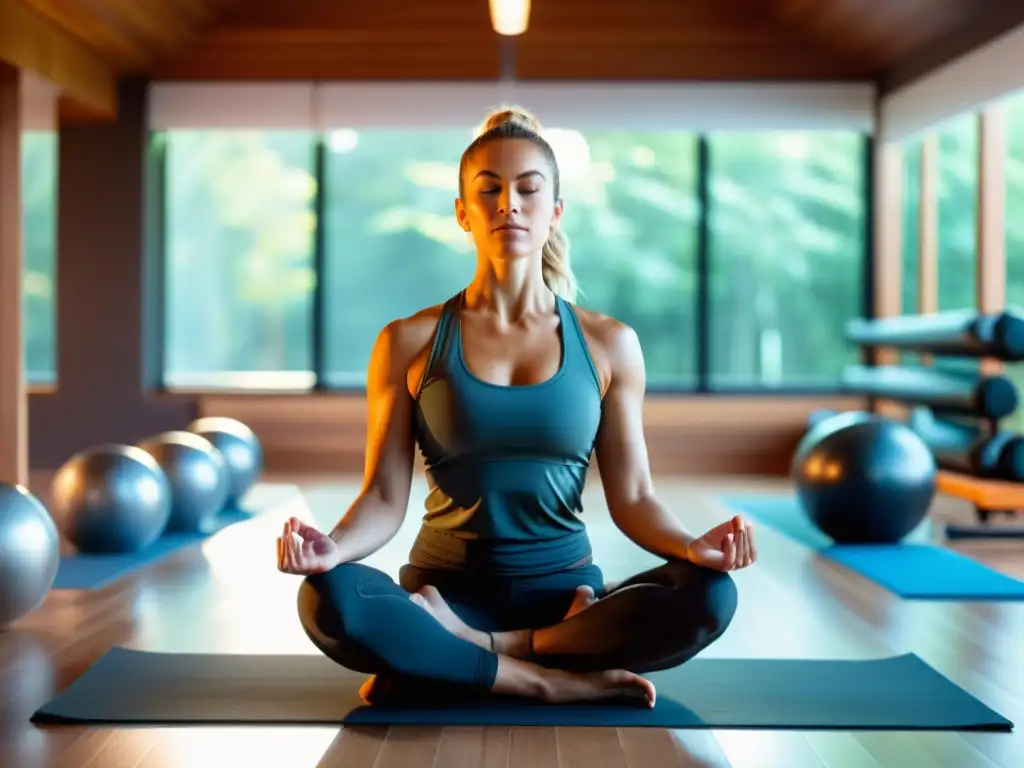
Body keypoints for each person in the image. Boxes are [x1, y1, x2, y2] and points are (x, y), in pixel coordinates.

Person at [276, 107, 757, 709]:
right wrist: (334, 548)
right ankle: (545, 679)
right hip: (442, 597)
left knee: (712, 595)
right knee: (326, 599)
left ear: (554, 212)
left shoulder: (610, 344)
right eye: (490, 191)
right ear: (462, 212)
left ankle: (462, 657)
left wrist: (693, 547)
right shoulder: (408, 341)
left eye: (529, 190)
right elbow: (381, 498)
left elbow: (633, 497)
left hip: (569, 604)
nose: (510, 204)